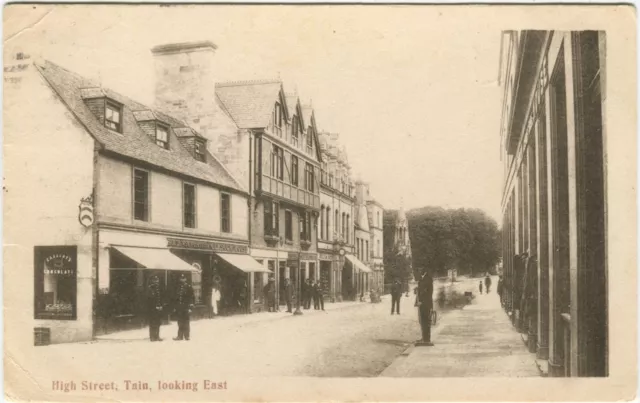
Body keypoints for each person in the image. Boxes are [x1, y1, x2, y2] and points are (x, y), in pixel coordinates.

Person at [173, 274, 194, 341]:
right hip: (179, 308)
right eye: (181, 278)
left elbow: (192, 298)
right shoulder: (178, 287)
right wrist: (175, 307)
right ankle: (180, 336)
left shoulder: (189, 287)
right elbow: (176, 298)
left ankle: (187, 336)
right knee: (180, 322)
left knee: (186, 322)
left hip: (186, 308)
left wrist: (190, 307)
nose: (182, 280)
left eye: (184, 278)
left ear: (186, 279)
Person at [415, 271, 434, 346]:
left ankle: (426, 339)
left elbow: (426, 293)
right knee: (422, 321)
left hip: (425, 304)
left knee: (426, 321)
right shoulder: (423, 279)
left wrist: (421, 302)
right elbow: (421, 290)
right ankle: (424, 337)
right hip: (423, 304)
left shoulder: (427, 279)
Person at [146, 275, 164, 342]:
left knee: (158, 323)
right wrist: (154, 307)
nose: (156, 282)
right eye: (155, 280)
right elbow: (149, 300)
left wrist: (161, 306)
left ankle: (157, 336)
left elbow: (161, 299)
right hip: (152, 310)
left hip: (158, 309)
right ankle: (152, 337)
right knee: (152, 323)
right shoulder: (150, 289)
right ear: (152, 281)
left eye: (157, 280)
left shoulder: (159, 289)